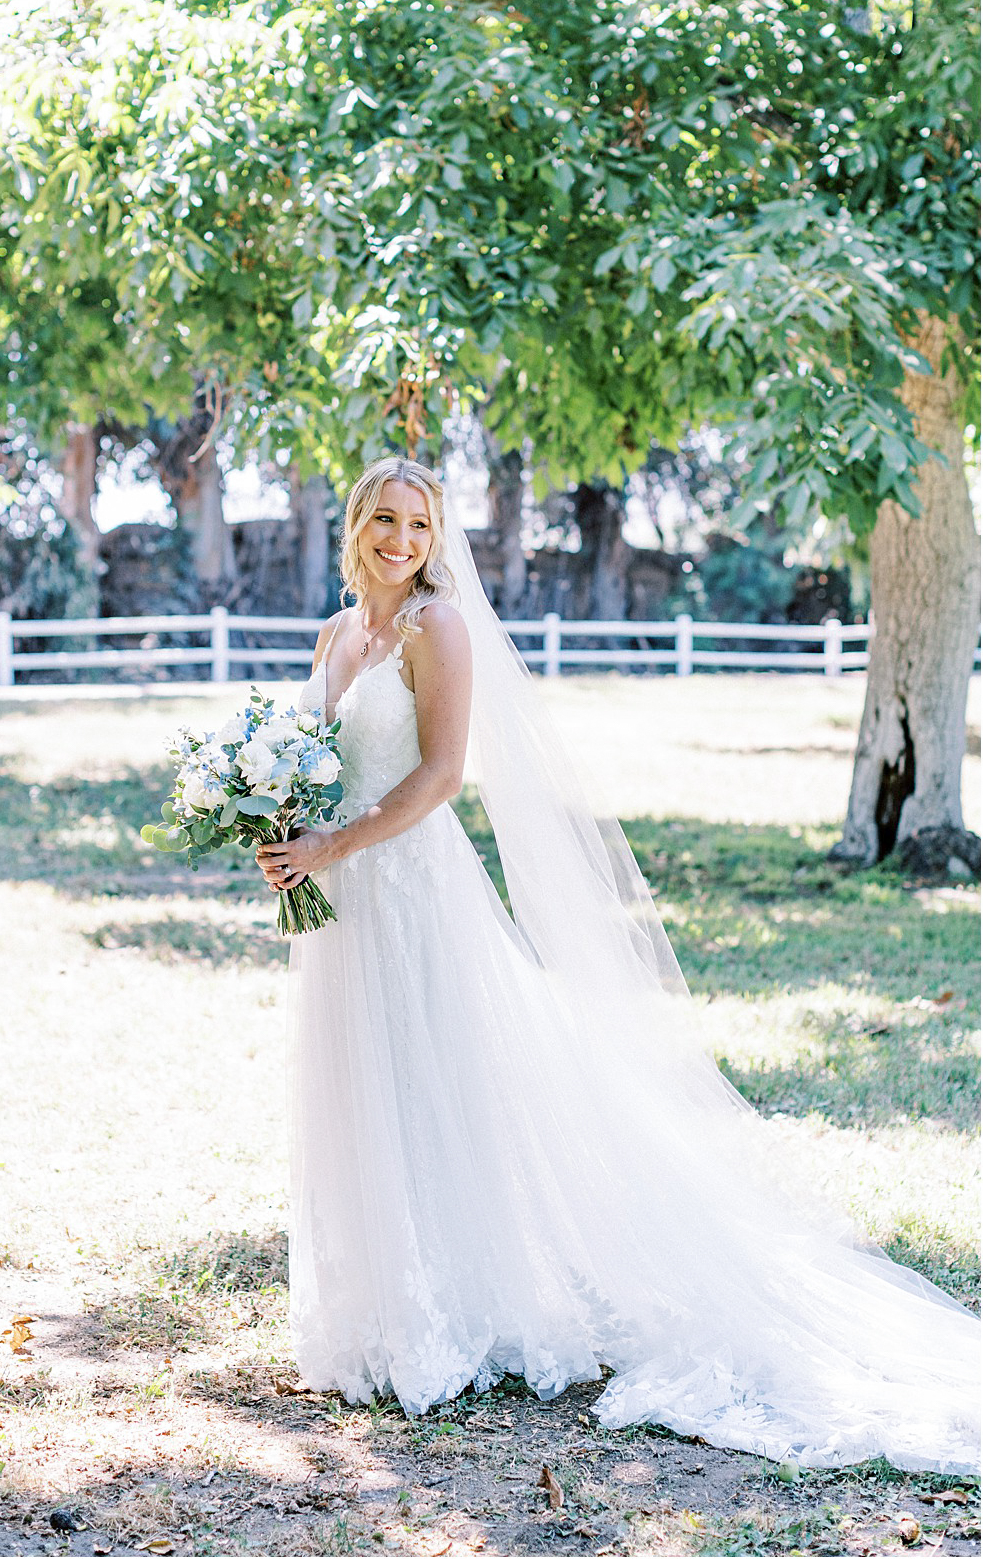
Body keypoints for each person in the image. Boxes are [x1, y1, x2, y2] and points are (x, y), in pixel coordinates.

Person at [255, 455, 979, 1472]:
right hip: (342, 903)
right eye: (385, 518)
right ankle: (372, 1306)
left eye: (420, 524)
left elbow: (442, 774)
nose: (401, 541)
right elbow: (316, 761)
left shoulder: (437, 628)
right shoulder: (336, 634)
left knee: (432, 1086)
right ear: (356, 524)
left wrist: (335, 843)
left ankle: (450, 1309)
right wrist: (288, 834)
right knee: (361, 1087)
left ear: (436, 537)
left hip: (414, 889)